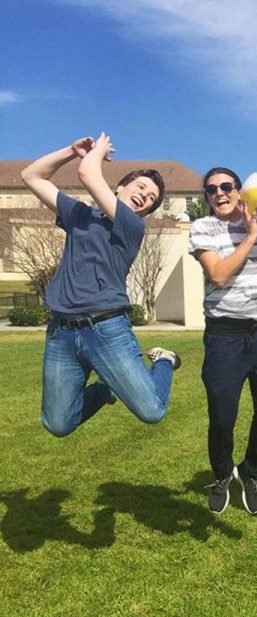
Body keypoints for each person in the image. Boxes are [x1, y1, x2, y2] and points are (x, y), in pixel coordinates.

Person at [20, 133, 180, 438]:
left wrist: (99, 150)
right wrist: (70, 150)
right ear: (120, 186)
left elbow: (87, 173)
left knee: (152, 410)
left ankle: (165, 360)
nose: (145, 196)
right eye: (141, 187)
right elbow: (32, 175)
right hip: (61, 333)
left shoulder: (131, 226)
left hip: (107, 331)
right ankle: (106, 390)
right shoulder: (79, 215)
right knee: (57, 423)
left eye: (151, 199)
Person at [188, 167, 257, 515]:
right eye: (211, 189)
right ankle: (221, 475)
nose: (219, 193)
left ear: (240, 191)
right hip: (223, 334)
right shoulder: (203, 228)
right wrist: (249, 237)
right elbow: (217, 275)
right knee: (222, 416)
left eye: (227, 186)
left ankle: (250, 472)